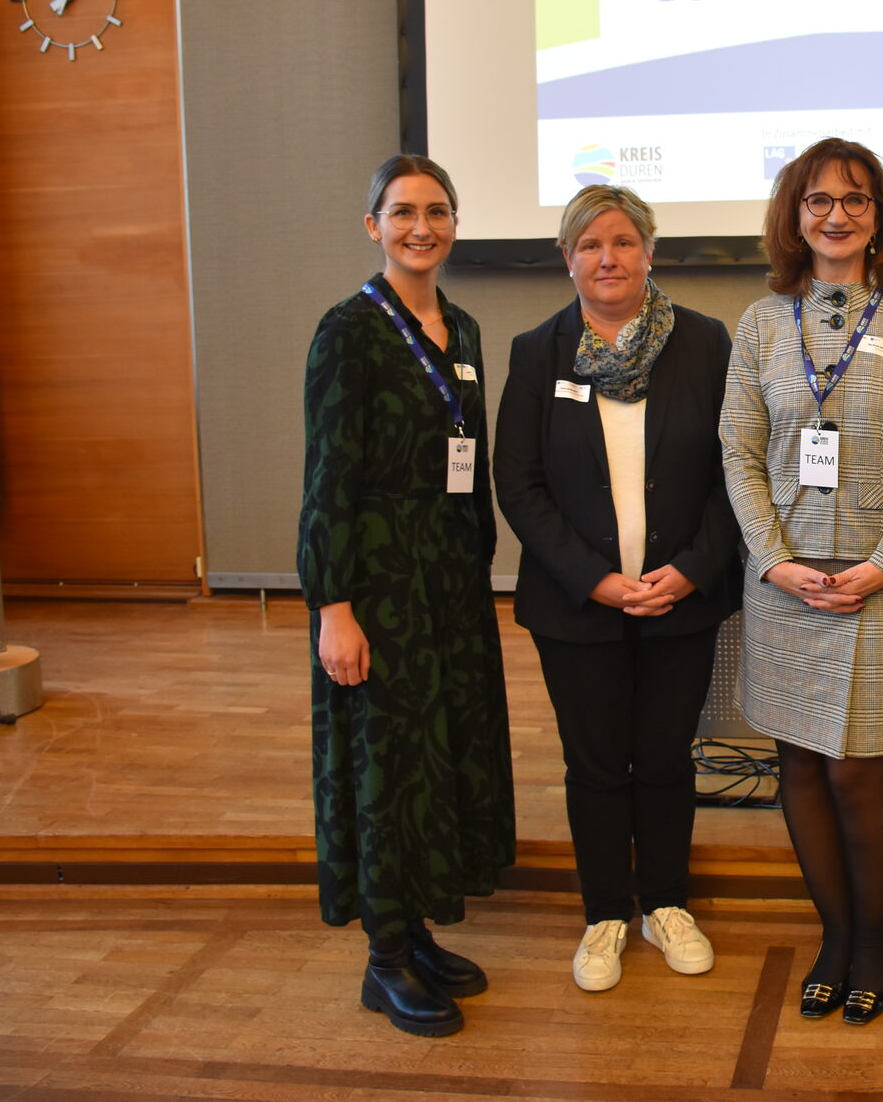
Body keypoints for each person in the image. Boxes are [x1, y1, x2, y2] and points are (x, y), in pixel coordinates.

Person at [719, 137, 883, 1026]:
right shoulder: (760, 323)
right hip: (784, 582)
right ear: (794, 215)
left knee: (859, 772)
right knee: (798, 766)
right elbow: (739, 451)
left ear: (879, 215)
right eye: (818, 199)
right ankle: (833, 933)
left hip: (880, 582)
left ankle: (875, 936)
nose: (836, 214)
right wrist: (774, 558)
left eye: (855, 199)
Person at [493, 184, 741, 993]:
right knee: (595, 763)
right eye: (591, 244)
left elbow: (735, 470)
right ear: (568, 259)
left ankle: (666, 904)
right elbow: (518, 481)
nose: (609, 258)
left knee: (666, 759)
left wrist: (694, 568)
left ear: (650, 252)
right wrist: (593, 578)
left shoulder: (704, 342)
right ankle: (604, 913)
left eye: (624, 242)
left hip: (680, 599)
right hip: (576, 605)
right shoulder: (539, 351)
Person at [297, 154, 516, 1038]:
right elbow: (326, 479)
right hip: (378, 585)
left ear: (455, 223)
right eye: (402, 212)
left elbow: (471, 459)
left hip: (450, 583)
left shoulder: (461, 328)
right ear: (373, 226)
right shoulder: (347, 330)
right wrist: (333, 607)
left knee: (440, 753)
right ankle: (385, 957)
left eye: (437, 211)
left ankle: (417, 929)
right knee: (387, 764)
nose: (421, 227)